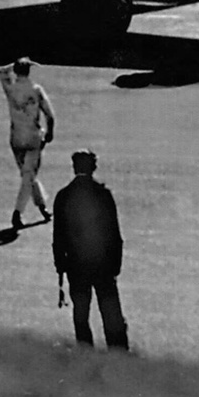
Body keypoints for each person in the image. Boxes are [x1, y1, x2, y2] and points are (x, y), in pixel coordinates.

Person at [52, 149, 129, 350]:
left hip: (76, 265)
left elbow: (58, 237)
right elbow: (114, 232)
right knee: (111, 311)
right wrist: (116, 264)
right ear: (93, 167)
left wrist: (60, 266)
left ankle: (85, 352)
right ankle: (118, 350)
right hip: (102, 263)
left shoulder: (63, 196)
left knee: (81, 314)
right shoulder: (103, 194)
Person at [0, 57, 56, 230]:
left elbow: (2, 72)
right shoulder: (36, 90)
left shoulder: (10, 88)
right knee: (28, 175)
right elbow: (49, 115)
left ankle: (42, 208)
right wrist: (50, 133)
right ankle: (18, 212)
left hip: (16, 137)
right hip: (33, 137)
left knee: (27, 176)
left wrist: (15, 63)